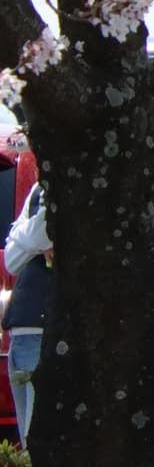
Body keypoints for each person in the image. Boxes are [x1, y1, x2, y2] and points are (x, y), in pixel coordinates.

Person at [3, 183, 50, 450]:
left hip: (47, 329)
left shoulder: (77, 181)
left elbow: (44, 232)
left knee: (39, 443)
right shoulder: (37, 190)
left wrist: (26, 239)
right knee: (27, 443)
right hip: (22, 330)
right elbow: (11, 259)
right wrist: (30, 241)